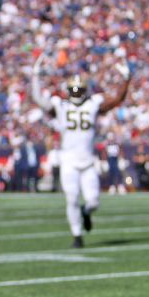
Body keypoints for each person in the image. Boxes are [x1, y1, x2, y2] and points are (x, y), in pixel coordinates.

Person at [32, 58, 131, 248]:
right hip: (68, 159)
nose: (76, 93)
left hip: (87, 160)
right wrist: (35, 76)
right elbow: (38, 100)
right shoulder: (61, 106)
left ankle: (86, 213)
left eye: (79, 90)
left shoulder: (92, 104)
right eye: (74, 90)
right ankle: (77, 236)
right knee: (71, 197)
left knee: (93, 201)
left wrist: (126, 79)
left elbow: (117, 100)